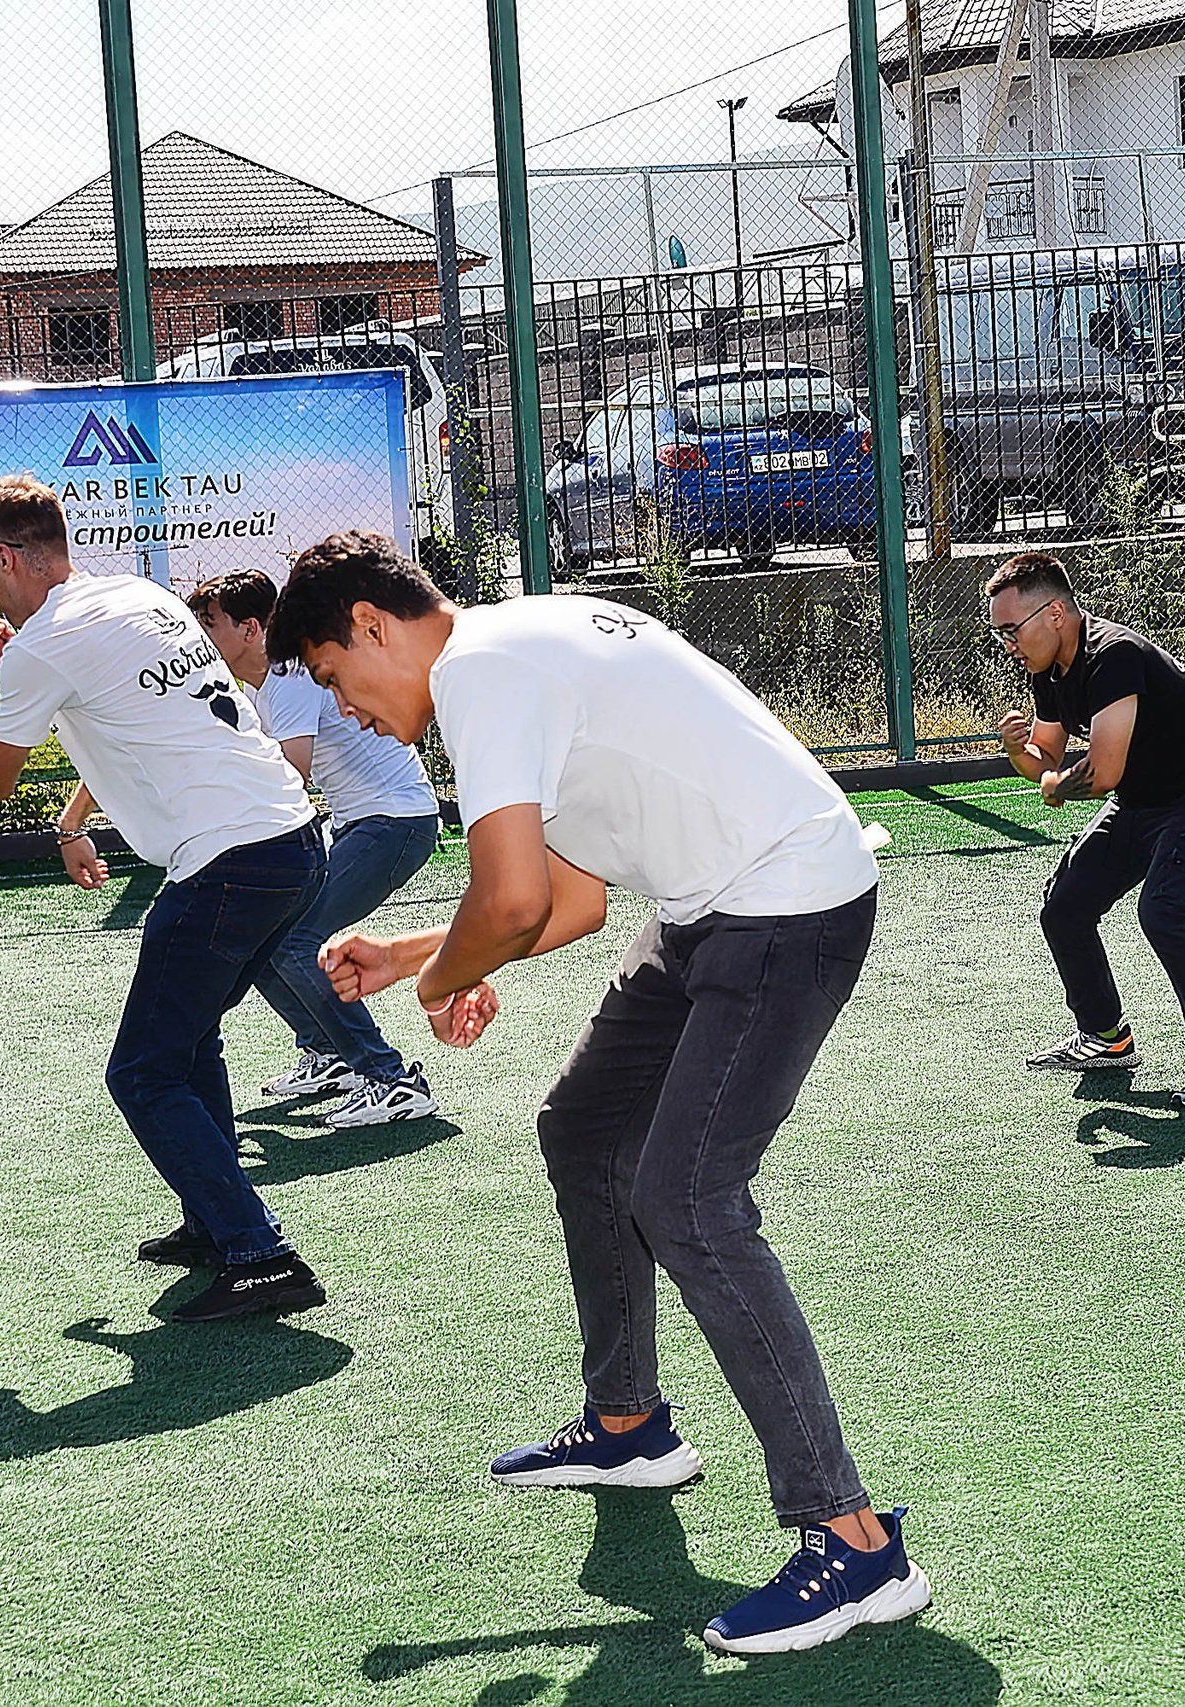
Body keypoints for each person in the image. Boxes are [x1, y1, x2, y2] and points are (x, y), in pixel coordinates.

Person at [263, 532, 928, 1657]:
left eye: (334, 677)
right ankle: (628, 1425)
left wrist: (441, 978)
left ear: (371, 626)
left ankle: (857, 1545)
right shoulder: (511, 654)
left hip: (787, 907)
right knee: (583, 1130)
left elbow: (513, 904)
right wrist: (419, 954)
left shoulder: (481, 673)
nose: (347, 712)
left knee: (690, 1201)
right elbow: (565, 902)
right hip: (710, 908)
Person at [0, 475, 329, 1322]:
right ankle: (214, 1222)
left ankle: (261, 1254)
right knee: (190, 1042)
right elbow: (146, 729)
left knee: (141, 1071)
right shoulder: (139, 596)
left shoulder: (42, 645)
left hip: (229, 861)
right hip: (294, 840)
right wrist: (72, 823)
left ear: (6, 558)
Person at [987, 552, 1185, 1107]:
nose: (1008, 645)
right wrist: (1020, 752)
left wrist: (1053, 784)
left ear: (1055, 615)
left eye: (1012, 630)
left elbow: (1099, 774)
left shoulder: (1113, 655)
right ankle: (1105, 1036)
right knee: (1065, 907)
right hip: (1141, 802)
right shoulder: (1048, 670)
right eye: (1000, 634)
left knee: (1163, 912)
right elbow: (1047, 758)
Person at [186, 570, 442, 1128]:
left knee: (298, 938)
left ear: (250, 629)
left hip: (397, 820)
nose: (200, 636)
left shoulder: (289, 678)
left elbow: (291, 776)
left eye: (209, 624)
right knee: (266, 934)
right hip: (358, 821)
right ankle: (330, 1054)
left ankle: (392, 1079)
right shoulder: (256, 689)